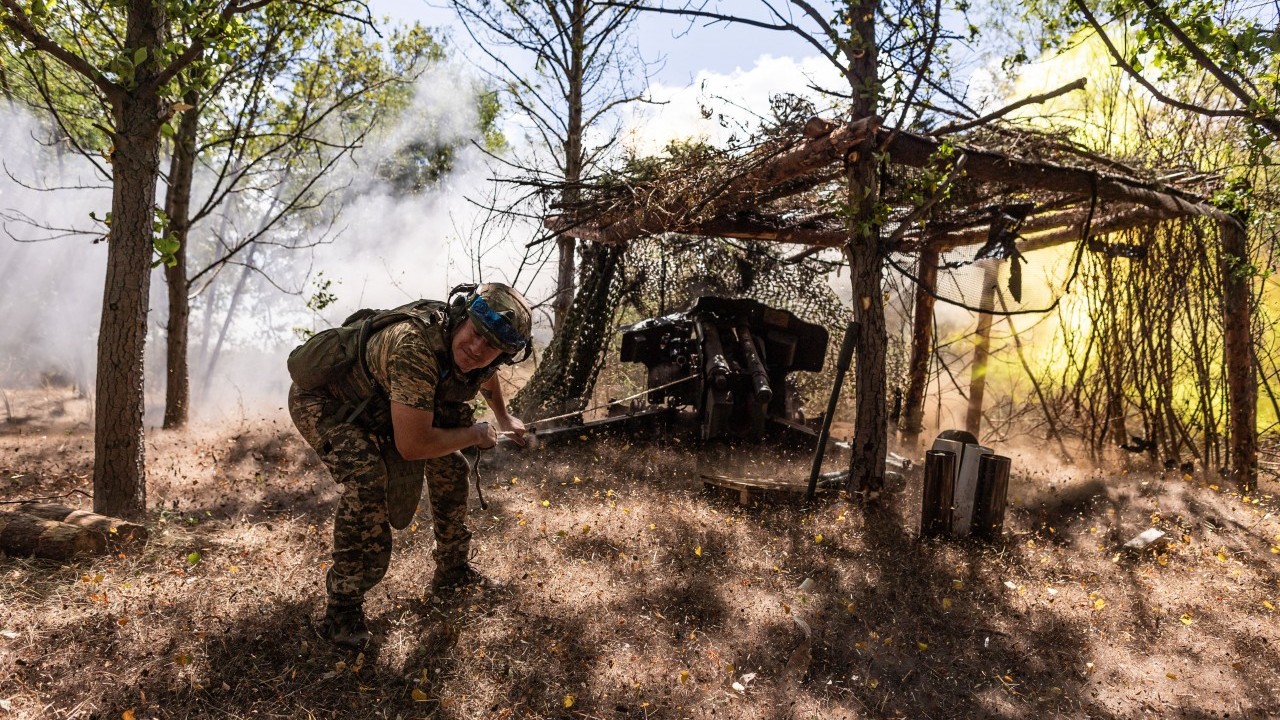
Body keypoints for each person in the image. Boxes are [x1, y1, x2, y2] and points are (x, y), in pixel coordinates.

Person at [288, 283, 532, 648]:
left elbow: (483, 371)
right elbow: (414, 444)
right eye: (476, 333)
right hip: (327, 404)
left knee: (450, 468)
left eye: (492, 346)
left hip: (384, 403)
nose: (478, 348)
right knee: (368, 480)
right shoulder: (414, 348)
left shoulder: (476, 350)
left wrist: (504, 415)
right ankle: (342, 609)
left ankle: (452, 571)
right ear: (461, 317)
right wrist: (475, 433)